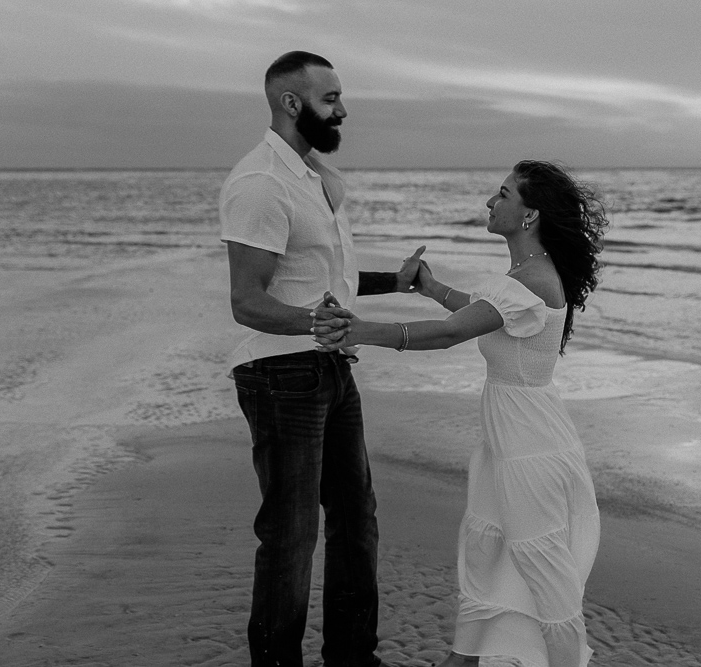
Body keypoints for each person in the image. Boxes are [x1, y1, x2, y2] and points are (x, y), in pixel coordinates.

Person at [314, 160, 608, 667]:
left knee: (540, 564)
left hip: (529, 445)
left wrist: (359, 330)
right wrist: (430, 288)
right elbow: (477, 308)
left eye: (503, 195)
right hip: (510, 434)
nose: (490, 203)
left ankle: (566, 659)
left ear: (530, 214)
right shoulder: (522, 276)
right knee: (486, 551)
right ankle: (463, 659)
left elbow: (453, 332)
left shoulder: (532, 280)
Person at [219, 50, 425, 667]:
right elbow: (247, 302)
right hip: (279, 374)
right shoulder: (260, 183)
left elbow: (327, 281)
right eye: (331, 98)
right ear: (291, 103)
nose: (342, 109)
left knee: (357, 522)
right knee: (291, 535)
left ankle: (352, 658)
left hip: (332, 368)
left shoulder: (314, 181)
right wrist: (317, 322)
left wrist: (400, 281)